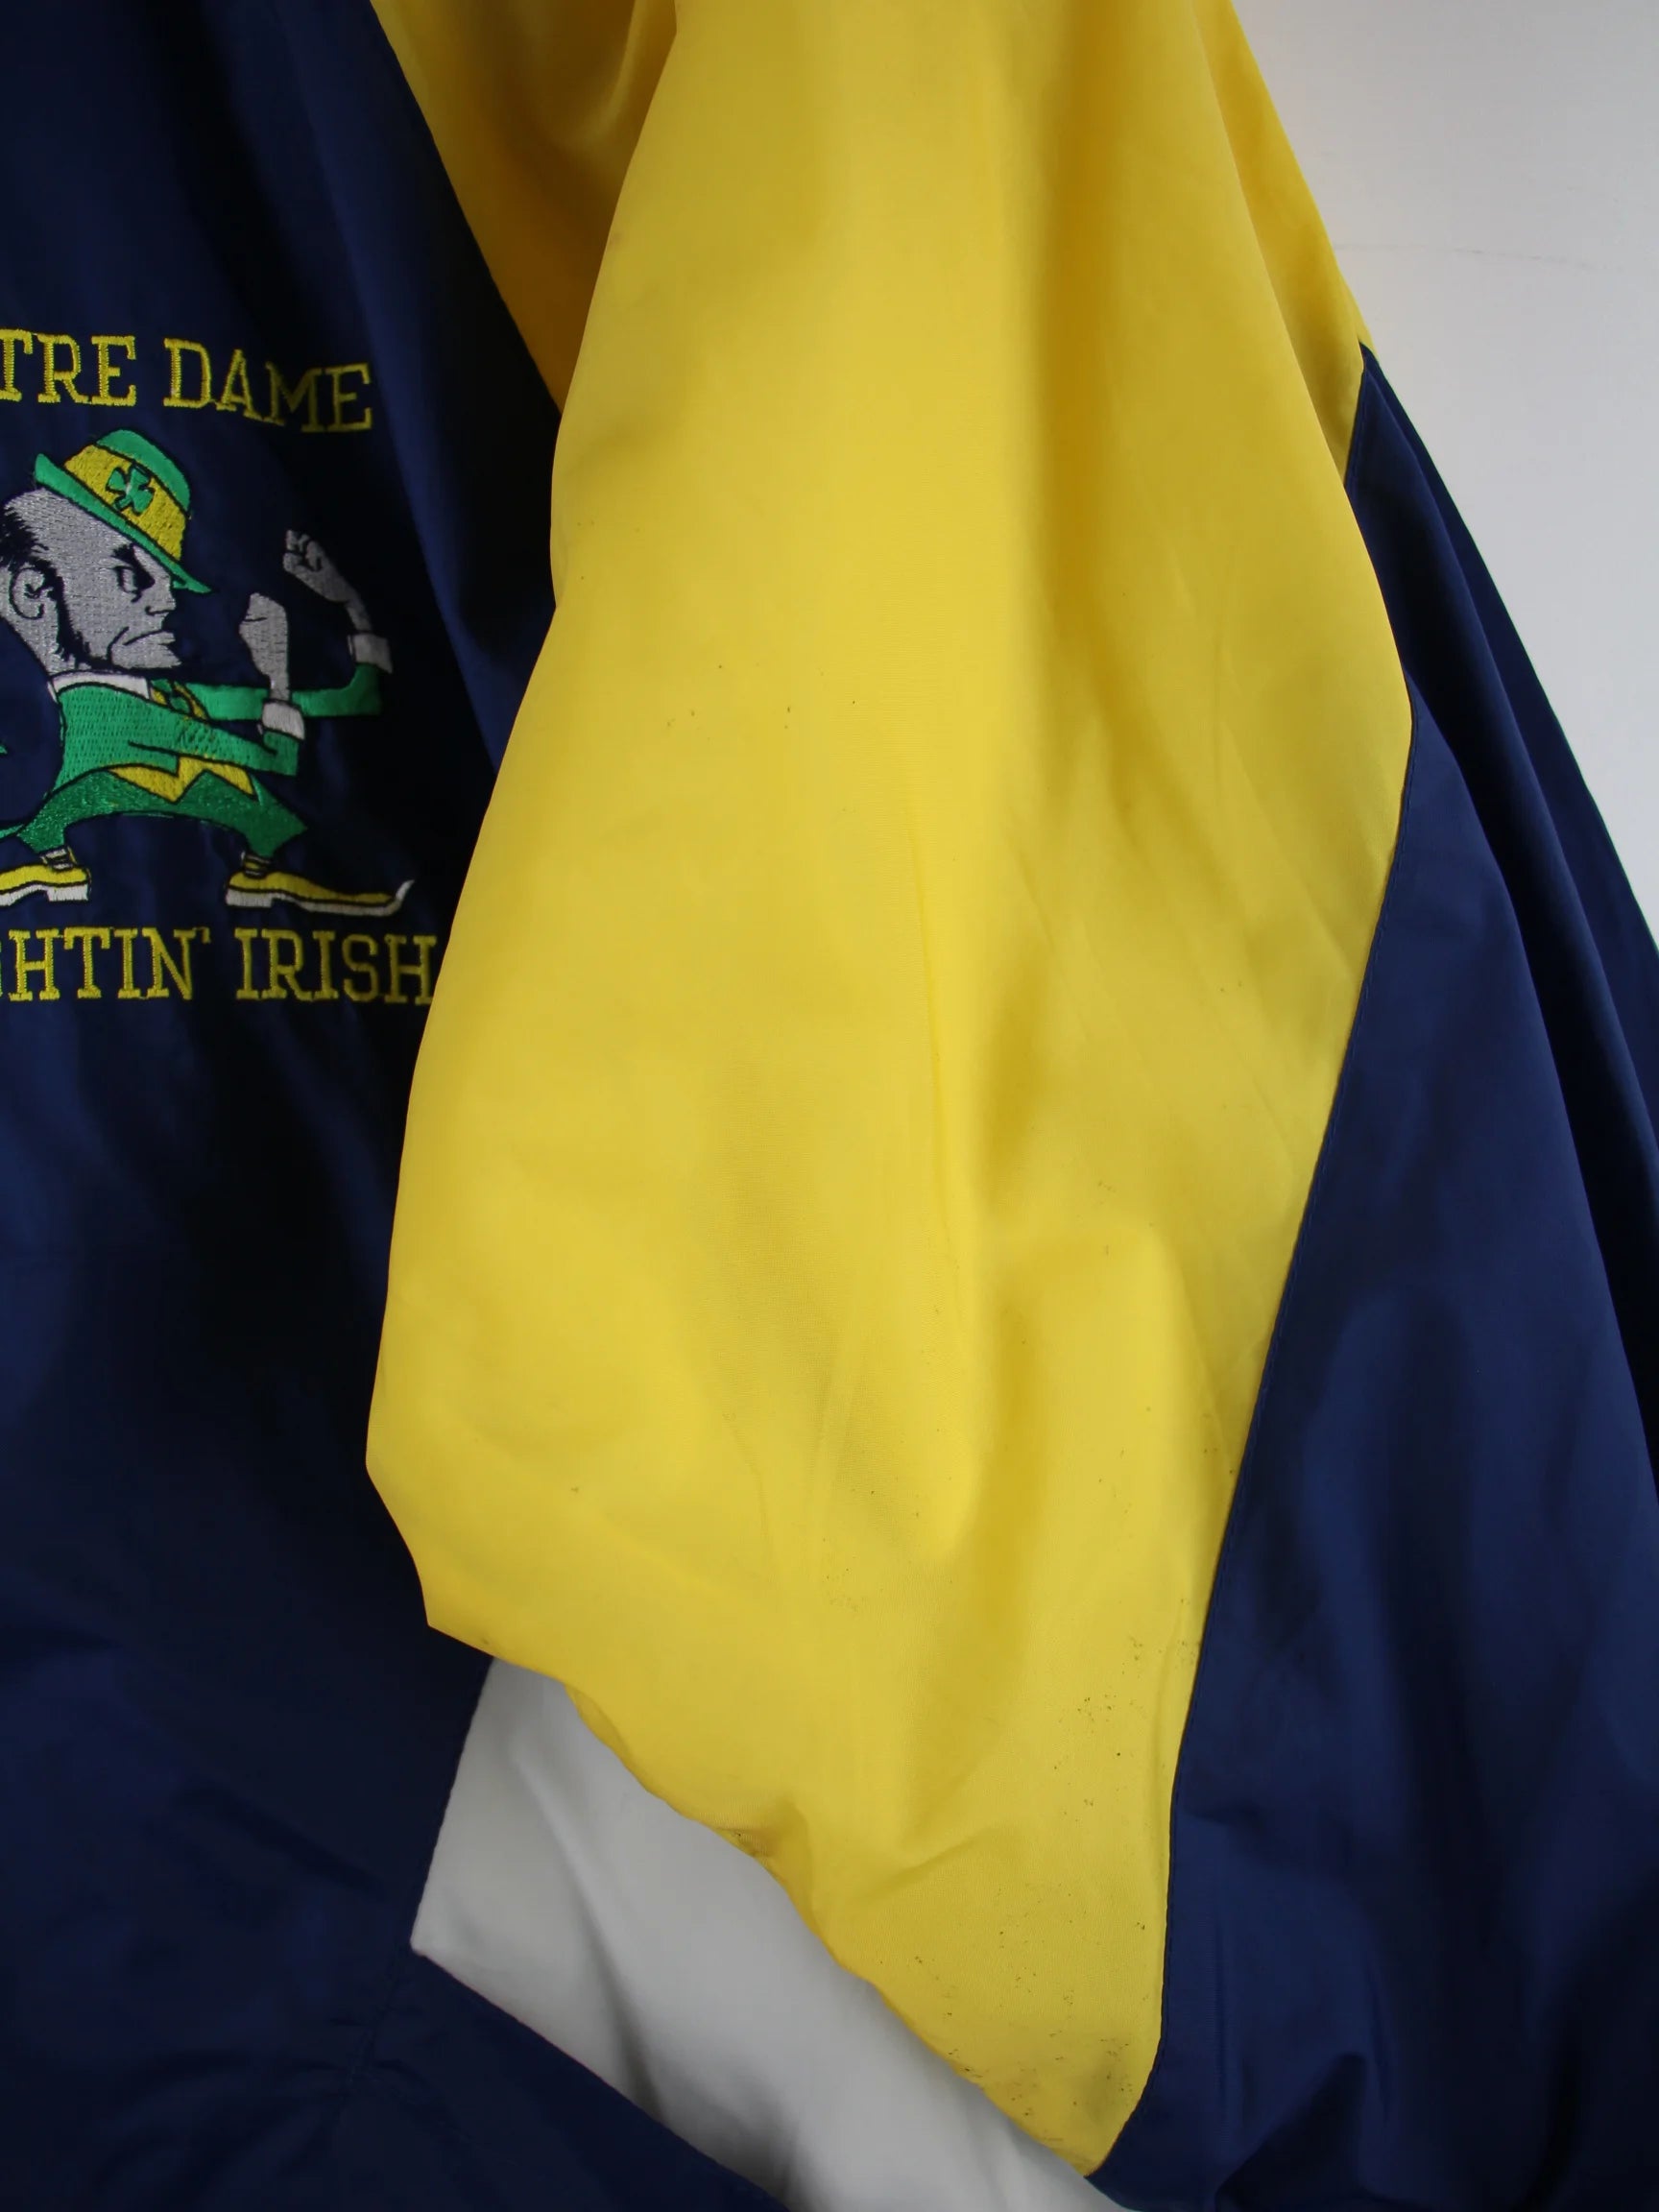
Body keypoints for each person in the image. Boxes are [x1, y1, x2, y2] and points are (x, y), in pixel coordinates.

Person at [0, 426, 406, 913]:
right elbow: (275, 760)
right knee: (248, 798)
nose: (166, 603)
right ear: (33, 593)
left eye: (167, 583)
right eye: (130, 577)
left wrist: (350, 607)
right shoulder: (105, 715)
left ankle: (55, 860)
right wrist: (277, 676)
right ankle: (261, 867)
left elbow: (347, 701)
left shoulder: (164, 695)